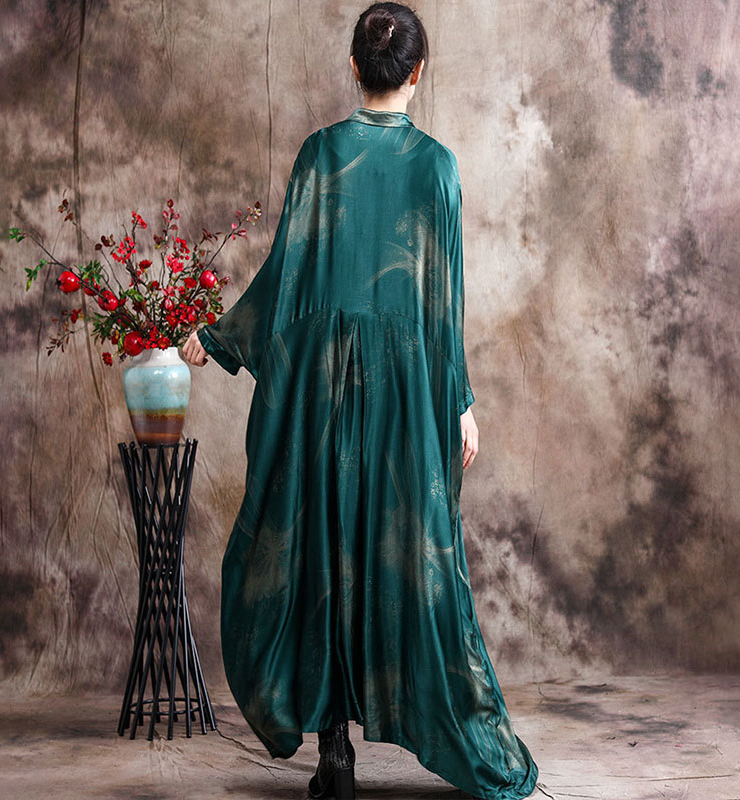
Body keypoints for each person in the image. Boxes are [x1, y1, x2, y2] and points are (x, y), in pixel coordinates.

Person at [182, 2, 539, 798]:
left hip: (323, 394)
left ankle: (333, 752)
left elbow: (287, 273)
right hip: (404, 392)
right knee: (402, 550)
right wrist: (459, 401)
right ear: (418, 72)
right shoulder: (437, 166)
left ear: (354, 67)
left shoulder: (319, 154)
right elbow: (442, 304)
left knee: (325, 550)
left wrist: (220, 335)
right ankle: (411, 727)